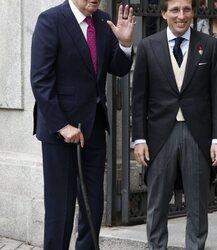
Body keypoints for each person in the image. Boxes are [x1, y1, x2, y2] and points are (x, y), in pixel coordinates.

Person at [30, 0, 135, 249]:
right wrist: (62, 126)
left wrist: (125, 44)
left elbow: (118, 68)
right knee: (61, 209)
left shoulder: (102, 21)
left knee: (92, 206)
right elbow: (40, 80)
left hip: (94, 128)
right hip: (60, 131)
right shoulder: (51, 21)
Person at [132, 0, 217, 249]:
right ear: (164, 13)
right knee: (157, 204)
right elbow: (139, 98)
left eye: (186, 9)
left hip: (197, 136)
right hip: (159, 136)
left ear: (193, 12)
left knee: (197, 205)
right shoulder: (146, 47)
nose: (181, 15)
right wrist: (140, 139)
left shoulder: (208, 45)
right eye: (174, 10)